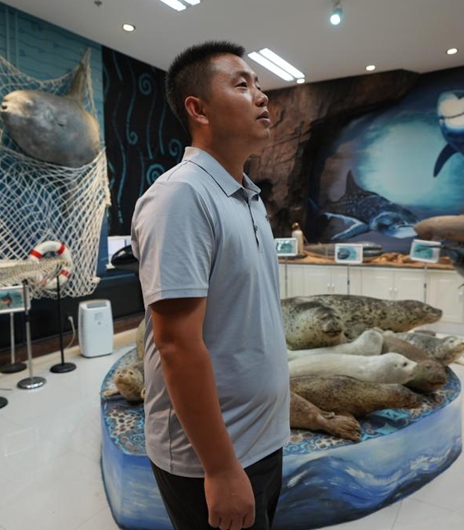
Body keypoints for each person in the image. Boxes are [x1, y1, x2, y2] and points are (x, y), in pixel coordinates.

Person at [130, 41, 290, 530]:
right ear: (197, 109)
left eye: (259, 84)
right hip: (213, 460)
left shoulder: (248, 198)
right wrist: (221, 469)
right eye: (242, 85)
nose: (261, 96)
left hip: (261, 442)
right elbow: (176, 344)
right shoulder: (181, 196)